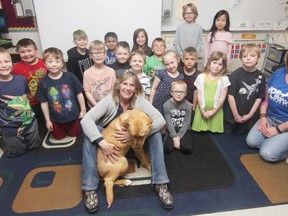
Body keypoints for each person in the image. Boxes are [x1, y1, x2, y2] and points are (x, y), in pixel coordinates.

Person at [80, 70, 174, 213]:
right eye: (125, 84)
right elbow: (86, 120)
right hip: (110, 135)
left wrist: (134, 136)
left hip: (133, 141)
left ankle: (160, 183)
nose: (128, 88)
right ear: (118, 85)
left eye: (132, 85)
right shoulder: (109, 100)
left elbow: (160, 119)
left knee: (156, 134)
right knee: (89, 134)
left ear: (136, 88)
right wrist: (102, 142)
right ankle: (89, 187)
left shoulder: (140, 101)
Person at [246, 52, 288, 162]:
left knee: (267, 154)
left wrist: (278, 130)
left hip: (285, 125)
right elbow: (266, 96)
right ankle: (276, 143)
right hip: (270, 117)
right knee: (252, 142)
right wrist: (263, 116)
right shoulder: (279, 72)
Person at [37, 47, 86, 140]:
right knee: (58, 137)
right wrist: (47, 120)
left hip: (73, 116)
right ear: (44, 64)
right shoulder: (43, 82)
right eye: (50, 62)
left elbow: (79, 93)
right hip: (55, 119)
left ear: (62, 63)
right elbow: (43, 102)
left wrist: (83, 110)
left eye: (57, 61)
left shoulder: (70, 76)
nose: (54, 65)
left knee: (75, 134)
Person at [0, 48, 41, 157]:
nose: (4, 65)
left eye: (7, 61)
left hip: (29, 121)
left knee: (35, 146)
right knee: (17, 152)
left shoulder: (21, 79)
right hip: (10, 128)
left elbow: (26, 97)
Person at [224, 44, 266, 134]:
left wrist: (250, 115)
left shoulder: (261, 77)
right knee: (227, 134)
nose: (248, 58)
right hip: (232, 115)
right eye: (245, 56)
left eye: (252, 56)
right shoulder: (235, 74)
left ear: (258, 58)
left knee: (240, 135)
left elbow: (259, 98)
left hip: (247, 115)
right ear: (241, 58)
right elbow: (230, 96)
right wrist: (235, 115)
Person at [192, 51, 230, 133]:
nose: (217, 66)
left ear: (223, 67)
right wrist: (202, 111)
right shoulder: (201, 77)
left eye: (220, 64)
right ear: (209, 63)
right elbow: (199, 95)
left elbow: (222, 98)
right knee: (200, 136)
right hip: (202, 109)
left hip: (216, 110)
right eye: (215, 62)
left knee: (214, 136)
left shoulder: (224, 79)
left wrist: (213, 111)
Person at [12, 38, 47, 122]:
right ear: (19, 53)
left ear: (36, 50)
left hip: (46, 100)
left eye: (29, 50)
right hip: (29, 103)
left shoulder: (45, 63)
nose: (26, 54)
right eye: (22, 52)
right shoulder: (15, 68)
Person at [83, 40, 116, 108]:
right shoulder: (87, 73)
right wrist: (96, 106)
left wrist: (107, 104)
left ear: (105, 54)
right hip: (94, 107)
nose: (98, 55)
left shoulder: (111, 71)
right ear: (90, 55)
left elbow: (114, 90)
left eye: (101, 52)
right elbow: (87, 92)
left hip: (109, 106)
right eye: (95, 53)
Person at [163, 80, 193, 154]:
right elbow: (169, 123)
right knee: (167, 149)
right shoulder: (166, 105)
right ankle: (176, 144)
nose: (179, 94)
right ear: (171, 93)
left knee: (187, 149)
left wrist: (178, 137)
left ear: (185, 93)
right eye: (176, 91)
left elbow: (186, 122)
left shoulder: (188, 105)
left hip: (184, 129)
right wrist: (174, 137)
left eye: (182, 92)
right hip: (171, 129)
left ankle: (179, 144)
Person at [150, 50, 184, 115]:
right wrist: (150, 103)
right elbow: (153, 88)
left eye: (172, 62)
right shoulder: (161, 73)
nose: (170, 66)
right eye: (167, 64)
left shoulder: (181, 77)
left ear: (178, 60)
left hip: (171, 106)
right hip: (158, 103)